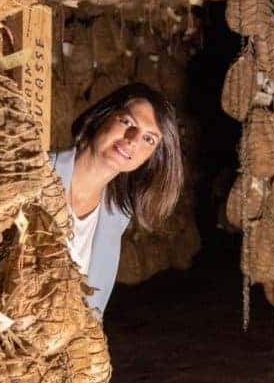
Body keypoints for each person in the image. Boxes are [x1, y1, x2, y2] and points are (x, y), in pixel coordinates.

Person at [51, 82, 184, 317]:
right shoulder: (37, 173)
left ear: (150, 159)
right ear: (104, 116)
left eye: (149, 139)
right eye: (128, 122)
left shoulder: (115, 216)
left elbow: (93, 310)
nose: (133, 140)